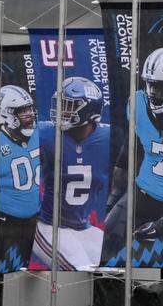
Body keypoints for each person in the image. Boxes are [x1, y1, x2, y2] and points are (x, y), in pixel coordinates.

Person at [103, 47, 163, 264]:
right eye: (150, 84)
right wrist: (113, 198)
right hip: (141, 195)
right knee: (105, 245)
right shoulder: (137, 103)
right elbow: (128, 153)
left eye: (161, 85)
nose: (153, 91)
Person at [31, 77, 111, 271]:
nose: (61, 111)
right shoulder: (46, 133)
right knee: (80, 270)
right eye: (61, 104)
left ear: (88, 111)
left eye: (69, 106)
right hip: (49, 225)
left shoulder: (109, 137)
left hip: (82, 226)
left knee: (115, 263)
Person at [0, 85, 39, 272]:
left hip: (35, 221)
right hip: (3, 223)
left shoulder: (40, 133)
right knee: (3, 275)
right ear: (6, 113)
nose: (29, 114)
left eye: (30, 109)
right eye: (22, 110)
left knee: (33, 276)